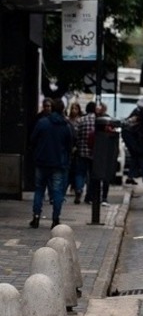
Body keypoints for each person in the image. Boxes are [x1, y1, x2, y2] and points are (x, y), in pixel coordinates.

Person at [29, 98, 74, 229]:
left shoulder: (42, 123)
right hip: (58, 163)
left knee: (39, 190)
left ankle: (36, 217)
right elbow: (69, 145)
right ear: (63, 110)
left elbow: (33, 140)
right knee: (57, 192)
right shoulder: (66, 126)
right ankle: (55, 219)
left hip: (42, 161)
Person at [74, 101, 97, 204]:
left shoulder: (80, 120)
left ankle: (78, 189)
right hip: (94, 153)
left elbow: (75, 135)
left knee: (80, 173)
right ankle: (89, 196)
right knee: (92, 175)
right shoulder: (97, 121)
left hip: (82, 152)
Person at [122, 97, 143, 184]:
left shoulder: (138, 111)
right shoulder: (138, 113)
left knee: (135, 156)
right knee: (138, 153)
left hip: (130, 135)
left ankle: (131, 177)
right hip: (130, 135)